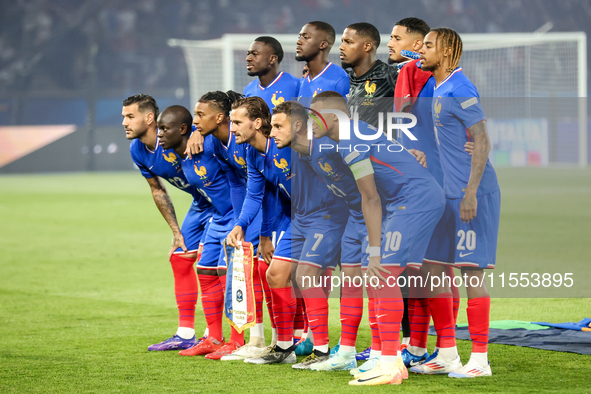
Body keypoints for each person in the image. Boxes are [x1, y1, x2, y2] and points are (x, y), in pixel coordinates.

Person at [310, 91, 445, 386]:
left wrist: (374, 250)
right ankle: (390, 359)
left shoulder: (349, 143)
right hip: (408, 201)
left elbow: (370, 199)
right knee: (384, 277)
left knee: (382, 273)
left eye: (314, 116)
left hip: (414, 201)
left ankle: (390, 365)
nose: (309, 122)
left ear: (333, 118)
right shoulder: (357, 130)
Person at [411, 27, 500, 378]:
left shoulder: (460, 87)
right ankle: (447, 353)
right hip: (446, 192)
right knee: (431, 269)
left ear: (446, 52)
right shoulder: (438, 86)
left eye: (429, 46)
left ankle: (480, 360)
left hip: (470, 194)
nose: (422, 50)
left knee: (470, 273)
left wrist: (470, 192)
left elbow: (483, 140)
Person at [156, 105, 259, 360]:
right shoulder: (182, 152)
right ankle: (213, 337)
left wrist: (198, 133)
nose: (159, 135)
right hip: (217, 215)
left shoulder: (209, 142)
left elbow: (239, 178)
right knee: (204, 270)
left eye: (163, 129)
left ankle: (238, 340)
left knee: (230, 274)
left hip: (236, 214)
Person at [270, 100, 366, 372]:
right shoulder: (298, 150)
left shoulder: (325, 148)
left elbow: (361, 173)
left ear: (298, 125)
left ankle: (323, 350)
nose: (272, 132)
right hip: (300, 220)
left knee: (309, 276)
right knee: (277, 274)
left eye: (278, 126)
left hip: (329, 219)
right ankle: (287, 345)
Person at [123, 94, 214, 351]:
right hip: (200, 203)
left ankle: (212, 333)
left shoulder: (180, 135)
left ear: (149, 117)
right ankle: (185, 333)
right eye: (123, 117)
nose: (124, 122)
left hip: (222, 203)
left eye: (130, 116)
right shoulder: (137, 150)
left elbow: (209, 129)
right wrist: (176, 231)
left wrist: (198, 133)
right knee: (180, 256)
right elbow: (158, 190)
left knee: (210, 262)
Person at [191, 90, 270, 361]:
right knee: (250, 270)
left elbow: (260, 186)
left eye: (201, 115)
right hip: (248, 207)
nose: (195, 121)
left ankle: (290, 337)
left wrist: (251, 222)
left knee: (264, 271)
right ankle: (254, 339)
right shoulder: (214, 144)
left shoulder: (246, 142)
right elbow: (237, 183)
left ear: (221, 117)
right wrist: (240, 223)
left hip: (269, 204)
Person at [226, 97, 295, 364]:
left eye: (237, 122)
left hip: (319, 216)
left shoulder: (289, 146)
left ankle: (315, 343)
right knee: (276, 274)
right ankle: (286, 346)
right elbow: (256, 196)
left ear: (256, 123)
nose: (233, 129)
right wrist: (241, 226)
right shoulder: (251, 153)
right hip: (294, 218)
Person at [339, 22, 397, 127]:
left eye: (348, 42)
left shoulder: (389, 76)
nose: (341, 47)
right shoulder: (344, 79)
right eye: (342, 42)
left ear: (367, 46)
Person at [296, 21, 350, 100]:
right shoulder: (303, 80)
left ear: (322, 45)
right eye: (299, 37)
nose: (298, 42)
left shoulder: (339, 80)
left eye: (306, 37)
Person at [243, 36, 301, 110]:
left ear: (272, 59)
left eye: (254, 54)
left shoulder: (296, 85)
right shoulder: (248, 90)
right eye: (248, 54)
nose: (248, 58)